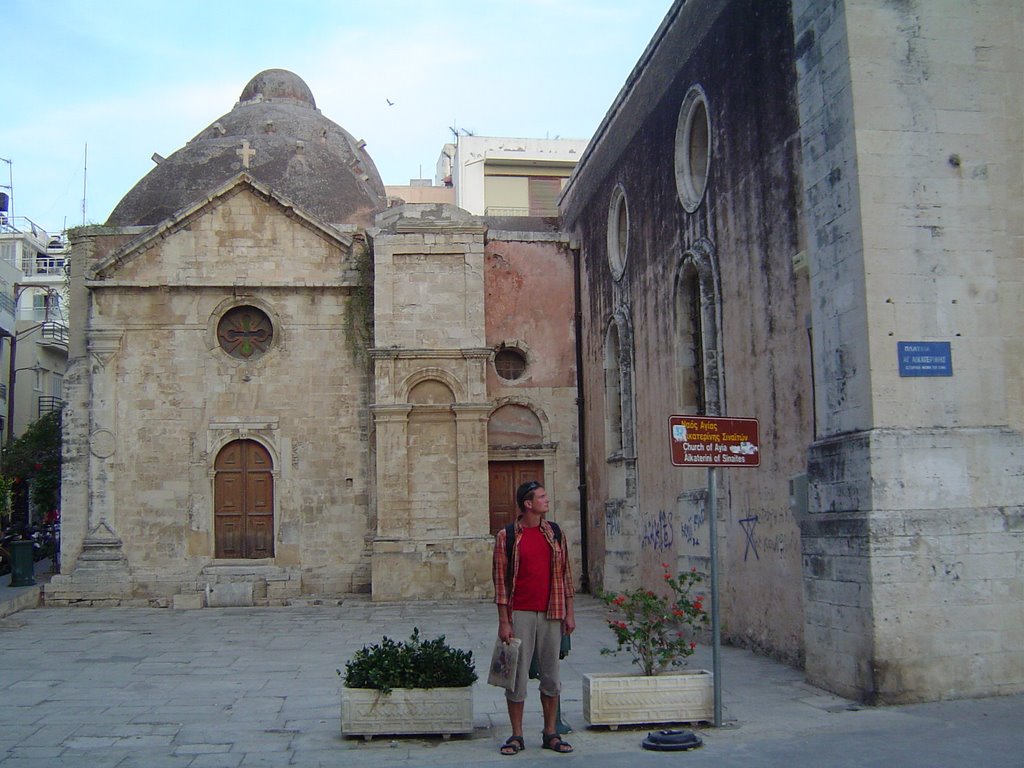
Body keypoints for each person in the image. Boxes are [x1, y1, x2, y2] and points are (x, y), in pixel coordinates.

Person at [492, 480, 575, 755]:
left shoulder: (555, 533)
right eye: (541, 497)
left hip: (552, 611)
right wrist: (504, 621)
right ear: (528, 504)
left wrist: (569, 613)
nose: (546, 500)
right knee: (516, 676)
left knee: (551, 675)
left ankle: (550, 732)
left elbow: (566, 575)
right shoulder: (507, 537)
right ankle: (516, 735)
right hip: (520, 613)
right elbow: (501, 583)